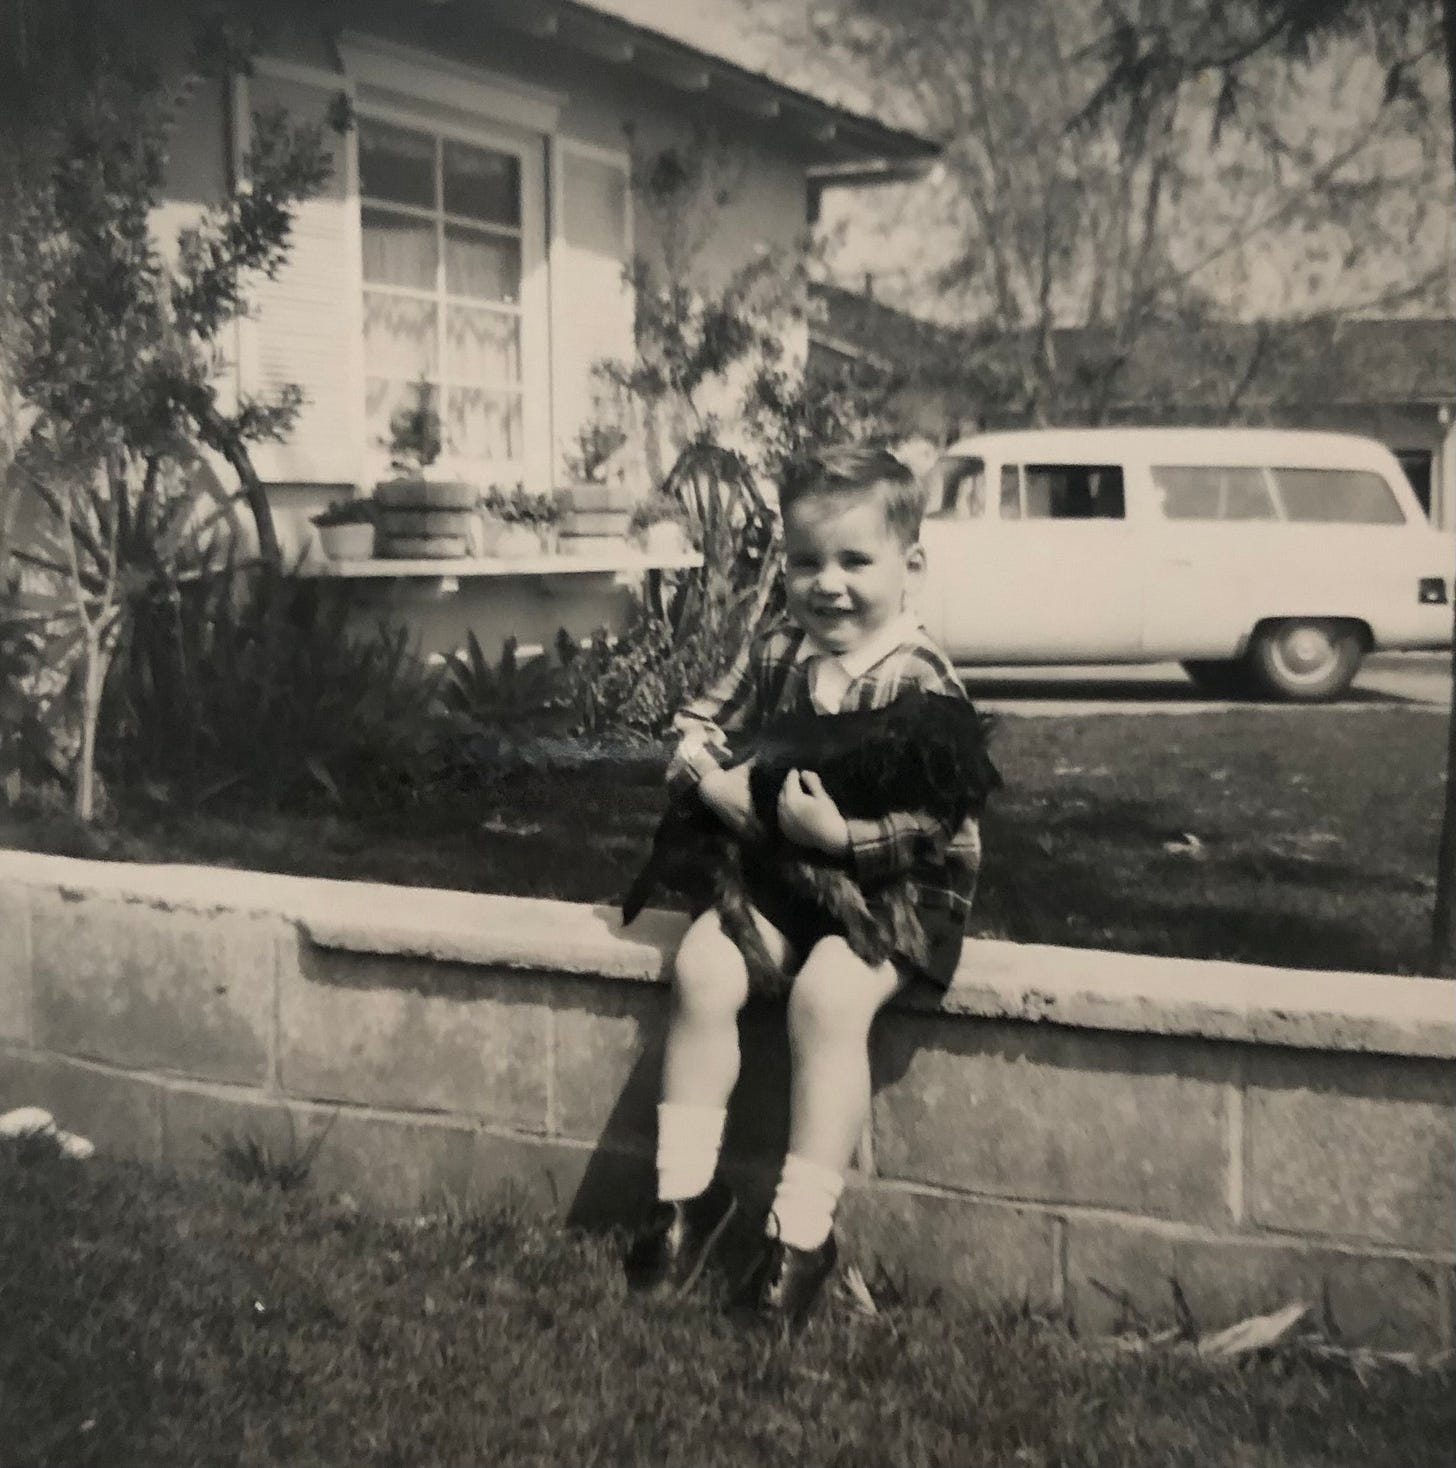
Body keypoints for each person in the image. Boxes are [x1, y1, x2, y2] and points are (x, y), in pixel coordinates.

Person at [623, 444, 983, 1330]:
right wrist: (706, 773)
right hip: (787, 877)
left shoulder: (921, 681)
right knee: (705, 969)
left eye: (856, 562)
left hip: (897, 889)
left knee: (825, 999)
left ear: (912, 567)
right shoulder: (781, 647)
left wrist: (843, 836)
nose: (828, 585)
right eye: (805, 562)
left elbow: (932, 825)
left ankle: (801, 1232)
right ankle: (685, 1198)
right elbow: (702, 720)